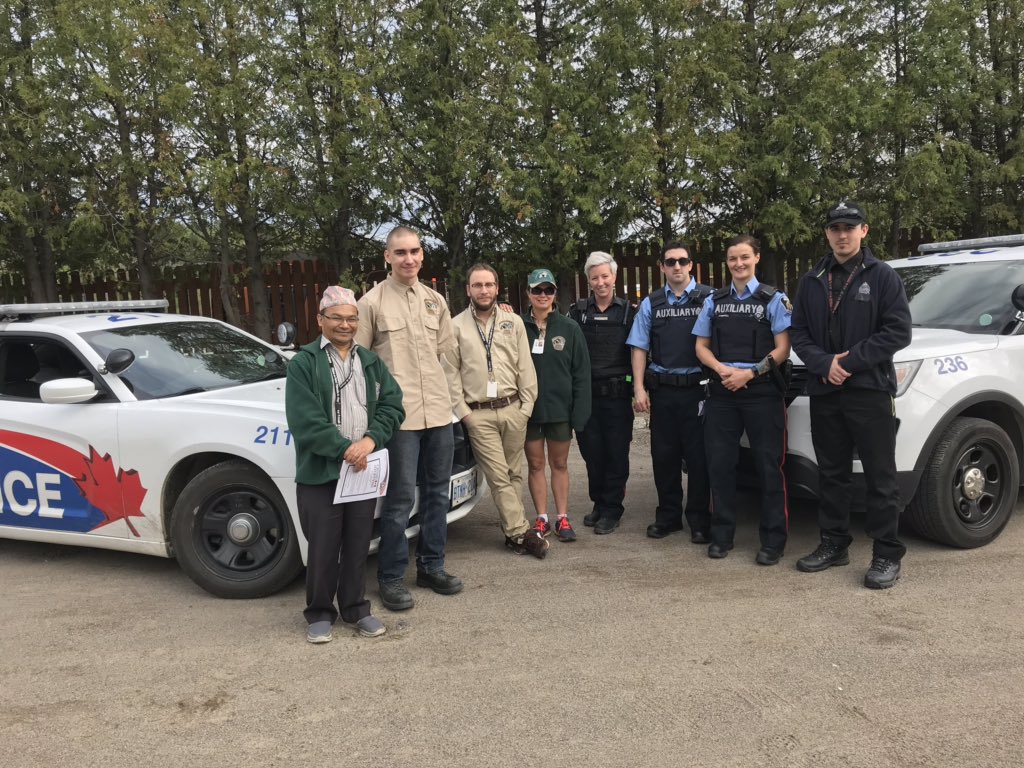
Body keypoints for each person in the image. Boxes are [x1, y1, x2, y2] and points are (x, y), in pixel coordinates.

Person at [790, 201, 912, 589]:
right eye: (835, 228)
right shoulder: (812, 280)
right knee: (832, 473)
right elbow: (798, 333)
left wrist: (850, 362)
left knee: (880, 476)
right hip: (825, 390)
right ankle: (834, 543)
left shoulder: (882, 276)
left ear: (864, 231)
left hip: (869, 390)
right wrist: (824, 363)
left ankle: (886, 553)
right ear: (827, 233)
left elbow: (898, 332)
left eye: (849, 227)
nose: (842, 234)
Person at [285, 286, 405, 643]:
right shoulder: (304, 363)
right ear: (320, 320)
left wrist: (370, 441)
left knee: (357, 544)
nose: (345, 324)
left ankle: (356, 608)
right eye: (336, 317)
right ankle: (320, 612)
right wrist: (344, 450)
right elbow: (305, 421)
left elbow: (393, 405)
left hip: (361, 470)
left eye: (351, 318)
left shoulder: (370, 362)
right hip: (322, 473)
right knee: (323, 547)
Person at [355, 226, 463, 611]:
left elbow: (446, 358)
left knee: (438, 494)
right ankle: (390, 577)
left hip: (439, 412)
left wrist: (456, 407)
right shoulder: (371, 303)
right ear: (387, 257)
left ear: (422, 254)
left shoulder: (435, 301)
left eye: (415, 251)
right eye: (400, 252)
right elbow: (360, 365)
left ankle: (432, 566)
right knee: (400, 499)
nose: (409, 258)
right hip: (399, 419)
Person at [693, 235, 792, 564]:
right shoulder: (715, 300)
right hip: (722, 392)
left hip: (761, 392)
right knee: (720, 466)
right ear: (727, 262)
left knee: (768, 467)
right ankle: (722, 536)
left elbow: (783, 348)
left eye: (745, 257)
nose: (739, 263)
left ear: (756, 258)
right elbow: (701, 347)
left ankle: (773, 541)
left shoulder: (773, 299)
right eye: (733, 258)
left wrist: (748, 374)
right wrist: (723, 370)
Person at [446, 263, 549, 558]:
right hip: (478, 414)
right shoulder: (455, 327)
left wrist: (526, 407)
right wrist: (465, 414)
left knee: (514, 472)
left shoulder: (512, 321)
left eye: (488, 284)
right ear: (468, 289)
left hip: (513, 408)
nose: (484, 290)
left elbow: (525, 366)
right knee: (499, 475)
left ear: (496, 287)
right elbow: (450, 374)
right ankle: (521, 533)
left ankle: (511, 536)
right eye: (477, 285)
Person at [626, 241, 712, 543]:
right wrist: (639, 388)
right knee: (664, 457)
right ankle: (668, 517)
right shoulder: (652, 303)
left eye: (682, 261)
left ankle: (699, 520)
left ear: (691, 265)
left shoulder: (709, 298)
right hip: (662, 392)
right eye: (670, 261)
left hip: (698, 391)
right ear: (661, 267)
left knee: (699, 459)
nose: (677, 266)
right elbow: (639, 346)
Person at [568, 251, 636, 534]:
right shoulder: (577, 312)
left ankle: (612, 509)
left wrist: (640, 388)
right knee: (592, 453)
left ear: (614, 277)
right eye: (595, 277)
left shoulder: (629, 312)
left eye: (605, 276)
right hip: (587, 397)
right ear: (588, 281)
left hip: (617, 396)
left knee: (616, 453)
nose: (600, 282)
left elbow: (639, 352)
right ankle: (599, 502)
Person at [522, 268, 592, 542]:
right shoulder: (516, 326)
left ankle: (562, 517)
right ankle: (541, 518)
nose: (543, 295)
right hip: (529, 411)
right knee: (535, 464)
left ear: (554, 293)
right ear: (528, 292)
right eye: (537, 290)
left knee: (559, 463)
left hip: (560, 411)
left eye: (548, 290)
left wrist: (580, 412)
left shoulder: (569, 328)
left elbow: (581, 374)